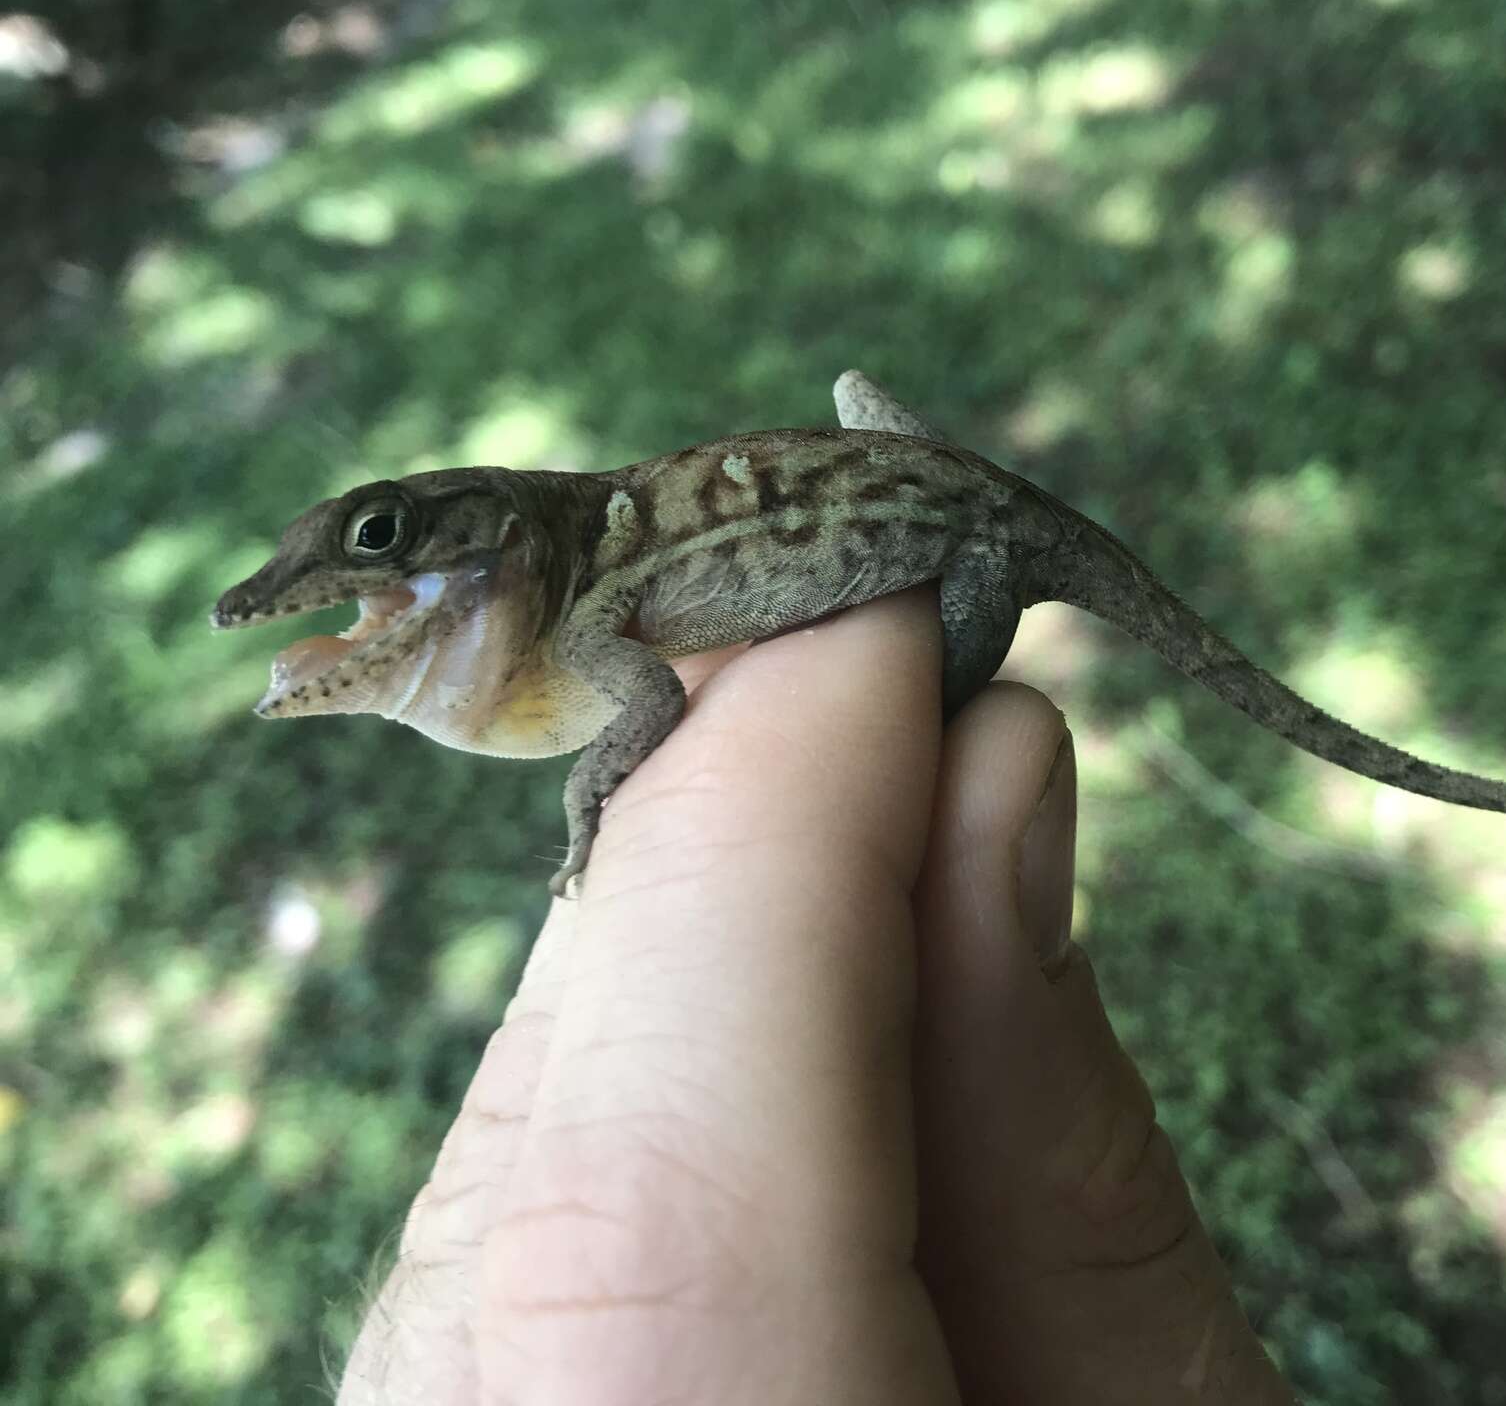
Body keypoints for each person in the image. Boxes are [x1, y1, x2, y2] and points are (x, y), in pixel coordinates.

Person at [337, 587, 1296, 1404]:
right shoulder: (590, 601)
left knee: (939, 756)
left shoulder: (594, 611)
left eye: (380, 539)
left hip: (955, 555)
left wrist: (590, 797)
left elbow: (651, 701)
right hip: (922, 554)